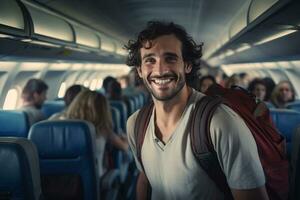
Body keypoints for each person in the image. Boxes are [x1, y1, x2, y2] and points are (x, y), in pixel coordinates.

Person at [125, 21, 269, 200]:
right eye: (150, 60)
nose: (160, 70)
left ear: (187, 65)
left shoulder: (220, 123)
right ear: (139, 70)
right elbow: (146, 179)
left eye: (170, 58)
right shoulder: (136, 124)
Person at [65, 89, 128, 177]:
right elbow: (124, 147)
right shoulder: (103, 130)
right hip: (95, 181)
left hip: (66, 183)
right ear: (102, 110)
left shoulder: (63, 128)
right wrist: (124, 136)